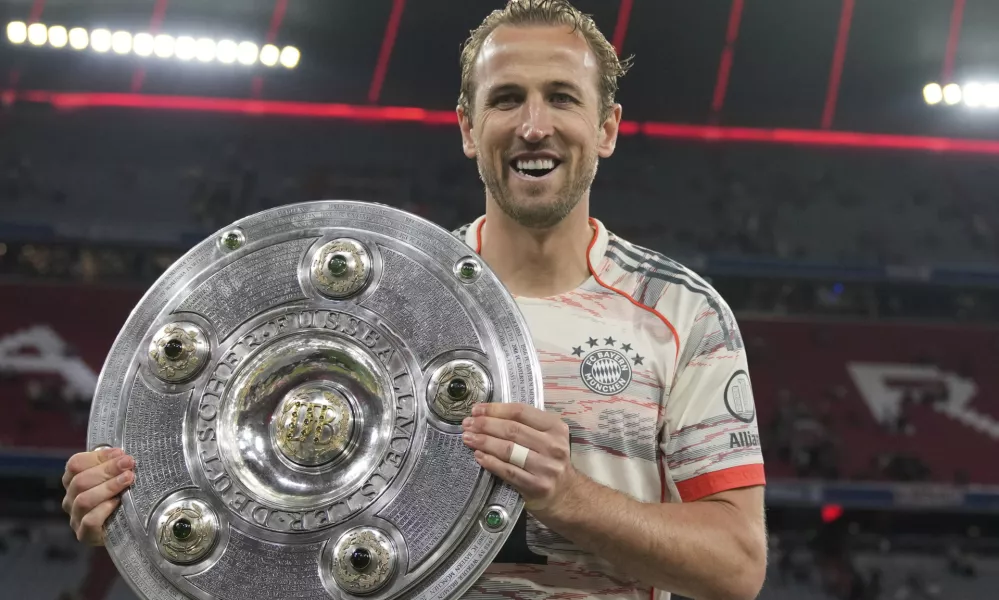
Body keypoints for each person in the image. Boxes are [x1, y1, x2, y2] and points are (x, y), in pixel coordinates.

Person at [61, 1, 768, 599]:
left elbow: (736, 566)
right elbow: (265, 507)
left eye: (560, 96)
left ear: (606, 128)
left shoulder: (678, 312)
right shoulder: (383, 303)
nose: (532, 125)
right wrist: (133, 498)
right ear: (467, 126)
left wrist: (570, 499)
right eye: (505, 98)